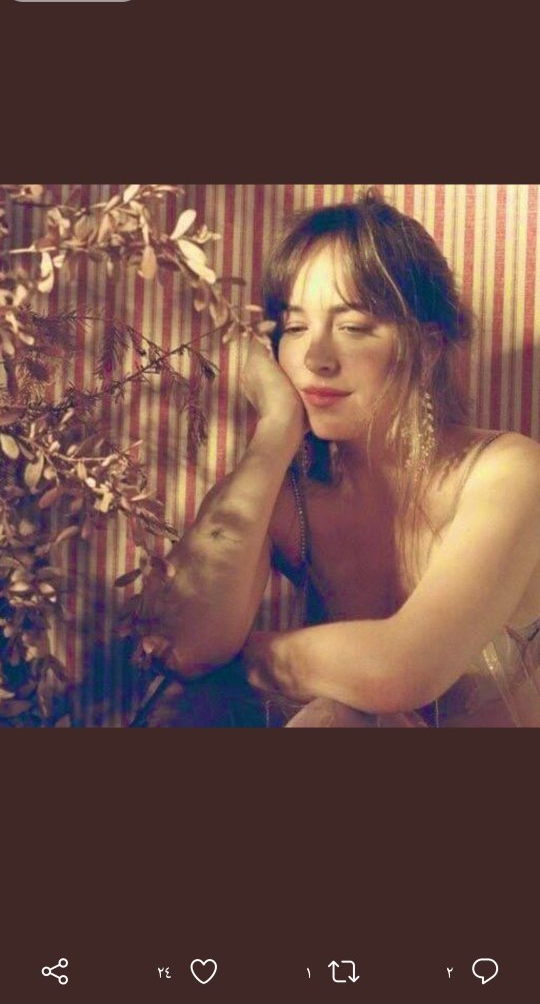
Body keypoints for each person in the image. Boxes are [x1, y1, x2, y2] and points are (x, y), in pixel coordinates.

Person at [140, 188, 540, 727]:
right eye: (295, 327)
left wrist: (246, 655)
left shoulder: (507, 472)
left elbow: (404, 669)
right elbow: (184, 646)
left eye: (352, 327)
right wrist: (275, 431)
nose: (315, 357)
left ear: (428, 346)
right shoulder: (290, 500)